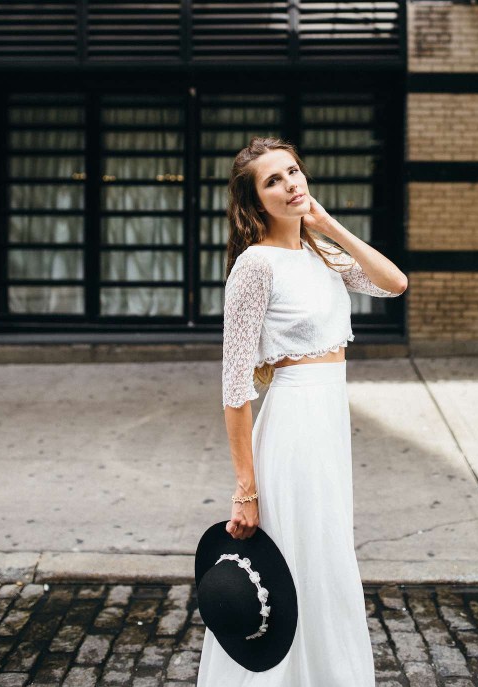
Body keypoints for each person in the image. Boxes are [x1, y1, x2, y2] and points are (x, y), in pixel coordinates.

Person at [196, 135, 408, 686]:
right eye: (273, 181)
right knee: (294, 565)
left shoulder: (322, 254)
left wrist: (329, 227)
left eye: (293, 172)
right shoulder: (255, 266)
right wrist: (246, 488)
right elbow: (235, 386)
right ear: (253, 201)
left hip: (328, 425)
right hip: (292, 425)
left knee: (327, 561)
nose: (290, 185)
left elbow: (394, 283)